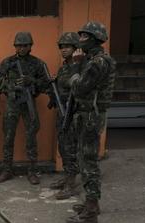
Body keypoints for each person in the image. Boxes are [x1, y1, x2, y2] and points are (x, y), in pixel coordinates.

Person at [66, 22, 116, 223]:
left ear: (95, 39)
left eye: (84, 36)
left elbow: (79, 88)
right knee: (84, 158)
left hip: (90, 117)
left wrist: (76, 66)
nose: (80, 39)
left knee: (88, 161)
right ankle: (90, 203)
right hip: (87, 115)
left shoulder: (97, 63)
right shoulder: (94, 60)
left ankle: (91, 210)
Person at [0, 32, 49, 184]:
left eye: (25, 45)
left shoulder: (38, 63)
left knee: (31, 137)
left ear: (30, 46)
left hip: (28, 103)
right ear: (15, 46)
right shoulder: (7, 62)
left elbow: (47, 85)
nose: (21, 48)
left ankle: (32, 171)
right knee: (8, 137)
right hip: (12, 103)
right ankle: (7, 170)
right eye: (18, 45)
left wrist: (32, 81)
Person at [48, 32, 81, 200]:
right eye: (61, 47)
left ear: (76, 48)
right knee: (63, 145)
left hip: (73, 113)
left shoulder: (80, 66)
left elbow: (78, 88)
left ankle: (71, 184)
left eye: (67, 46)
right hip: (62, 112)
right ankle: (67, 176)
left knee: (71, 148)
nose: (64, 50)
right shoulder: (64, 68)